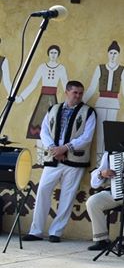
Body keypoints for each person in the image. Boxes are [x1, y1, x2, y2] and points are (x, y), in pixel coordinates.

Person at [23, 80, 96, 242]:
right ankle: (36, 231)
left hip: (75, 160)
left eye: (80, 93)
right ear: (66, 92)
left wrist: (65, 148)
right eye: (75, 92)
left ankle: (56, 232)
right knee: (43, 190)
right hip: (53, 158)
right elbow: (44, 131)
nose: (78, 96)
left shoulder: (88, 112)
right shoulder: (53, 109)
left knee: (67, 196)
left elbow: (87, 137)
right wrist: (53, 149)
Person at [83, 41, 124, 159]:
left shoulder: (122, 70)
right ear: (108, 54)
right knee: (100, 133)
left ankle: (106, 160)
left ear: (118, 55)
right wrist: (82, 103)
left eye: (115, 53)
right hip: (101, 102)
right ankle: (99, 162)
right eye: (111, 53)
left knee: (110, 133)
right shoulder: (100, 68)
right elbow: (92, 87)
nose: (113, 55)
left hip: (114, 104)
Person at [16, 44, 68, 140]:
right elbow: (33, 83)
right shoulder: (42, 67)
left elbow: (66, 86)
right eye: (51, 52)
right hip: (42, 99)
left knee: (53, 122)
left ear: (58, 54)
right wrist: (21, 97)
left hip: (53, 99)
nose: (53, 55)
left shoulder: (61, 68)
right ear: (48, 54)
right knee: (37, 123)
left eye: (55, 53)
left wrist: (69, 102)